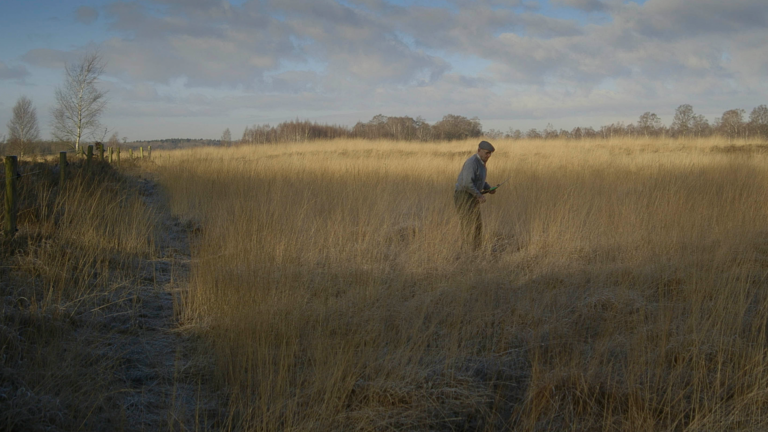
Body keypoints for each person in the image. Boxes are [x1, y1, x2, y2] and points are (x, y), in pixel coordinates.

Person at [454, 140, 495, 251]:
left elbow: (479, 180)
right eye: (487, 152)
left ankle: (476, 250)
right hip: (464, 196)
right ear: (479, 151)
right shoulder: (471, 163)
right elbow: (467, 183)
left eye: (490, 153)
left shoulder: (482, 164)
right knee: (468, 223)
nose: (489, 155)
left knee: (477, 225)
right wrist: (479, 196)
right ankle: (466, 250)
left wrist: (488, 188)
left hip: (472, 196)